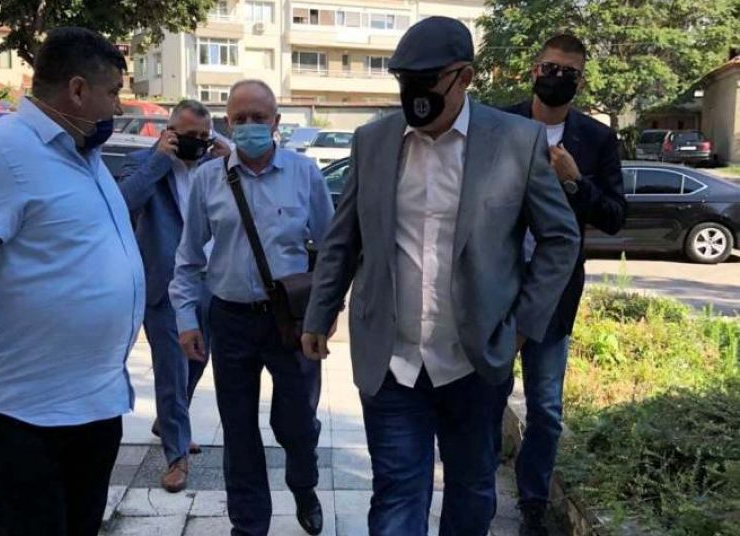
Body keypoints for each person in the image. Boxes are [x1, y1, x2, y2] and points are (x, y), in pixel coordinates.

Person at [301, 17, 581, 536]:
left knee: (471, 495)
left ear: (464, 77)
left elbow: (561, 238)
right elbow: (344, 236)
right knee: (396, 496)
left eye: (428, 81)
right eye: (405, 81)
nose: (415, 93)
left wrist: (523, 325)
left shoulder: (516, 141)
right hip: (392, 361)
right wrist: (320, 312)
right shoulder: (372, 141)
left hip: (475, 361)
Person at [0, 27, 143, 536]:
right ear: (77, 90)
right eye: (113, 92)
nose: (117, 107)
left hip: (94, 404)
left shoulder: (83, 155)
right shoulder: (1, 150)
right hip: (27, 415)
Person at [170, 79, 334, 536]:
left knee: (297, 424)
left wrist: (324, 316)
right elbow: (188, 257)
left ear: (276, 122)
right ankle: (249, 525)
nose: (249, 126)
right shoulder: (208, 179)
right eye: (239, 118)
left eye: (258, 118)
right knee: (239, 430)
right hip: (231, 321)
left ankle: (304, 485)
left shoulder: (305, 174)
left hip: (290, 324)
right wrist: (186, 319)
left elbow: (332, 251)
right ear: (227, 123)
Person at [503, 34, 626, 535]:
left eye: (568, 73)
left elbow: (615, 217)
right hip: (496, 286)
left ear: (581, 80)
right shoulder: (500, 125)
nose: (557, 78)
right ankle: (475, 491)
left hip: (554, 294)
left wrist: (576, 181)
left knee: (547, 410)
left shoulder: (596, 140)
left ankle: (532, 504)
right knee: (483, 398)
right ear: (534, 70)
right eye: (550, 68)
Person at [116, 99, 229, 493]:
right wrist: (159, 161)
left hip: (210, 281)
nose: (196, 142)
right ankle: (177, 454)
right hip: (164, 285)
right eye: (187, 135)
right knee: (172, 369)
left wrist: (230, 164)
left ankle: (167, 421)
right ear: (169, 131)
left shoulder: (217, 167)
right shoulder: (143, 162)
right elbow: (122, 204)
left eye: (203, 136)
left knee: (198, 359)